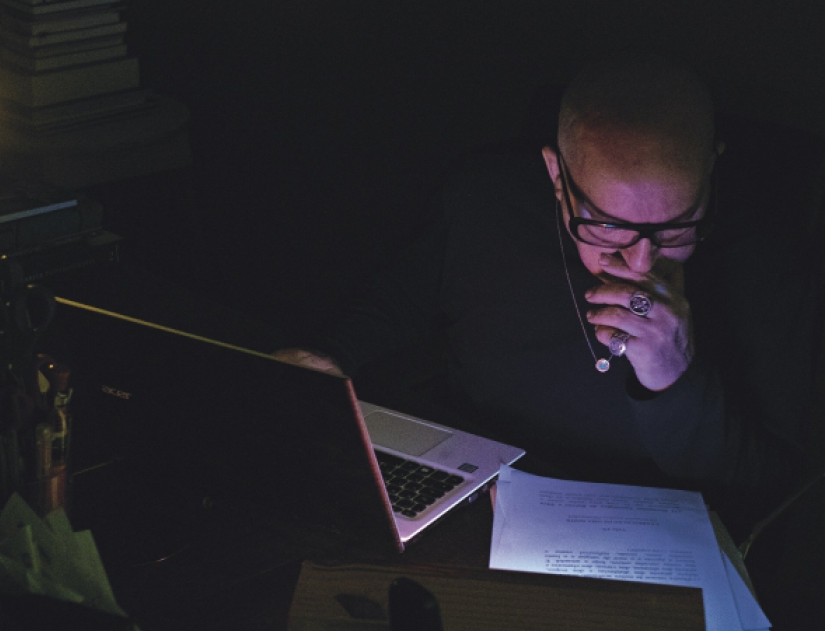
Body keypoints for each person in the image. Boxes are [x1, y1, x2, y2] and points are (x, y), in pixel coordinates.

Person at [275, 53, 822, 512]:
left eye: (677, 226)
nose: (641, 261)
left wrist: (675, 378)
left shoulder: (768, 257)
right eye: (607, 225)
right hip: (480, 489)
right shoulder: (481, 198)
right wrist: (329, 356)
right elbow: (396, 302)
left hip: (656, 519)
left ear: (712, 166)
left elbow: (767, 481)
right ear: (557, 176)